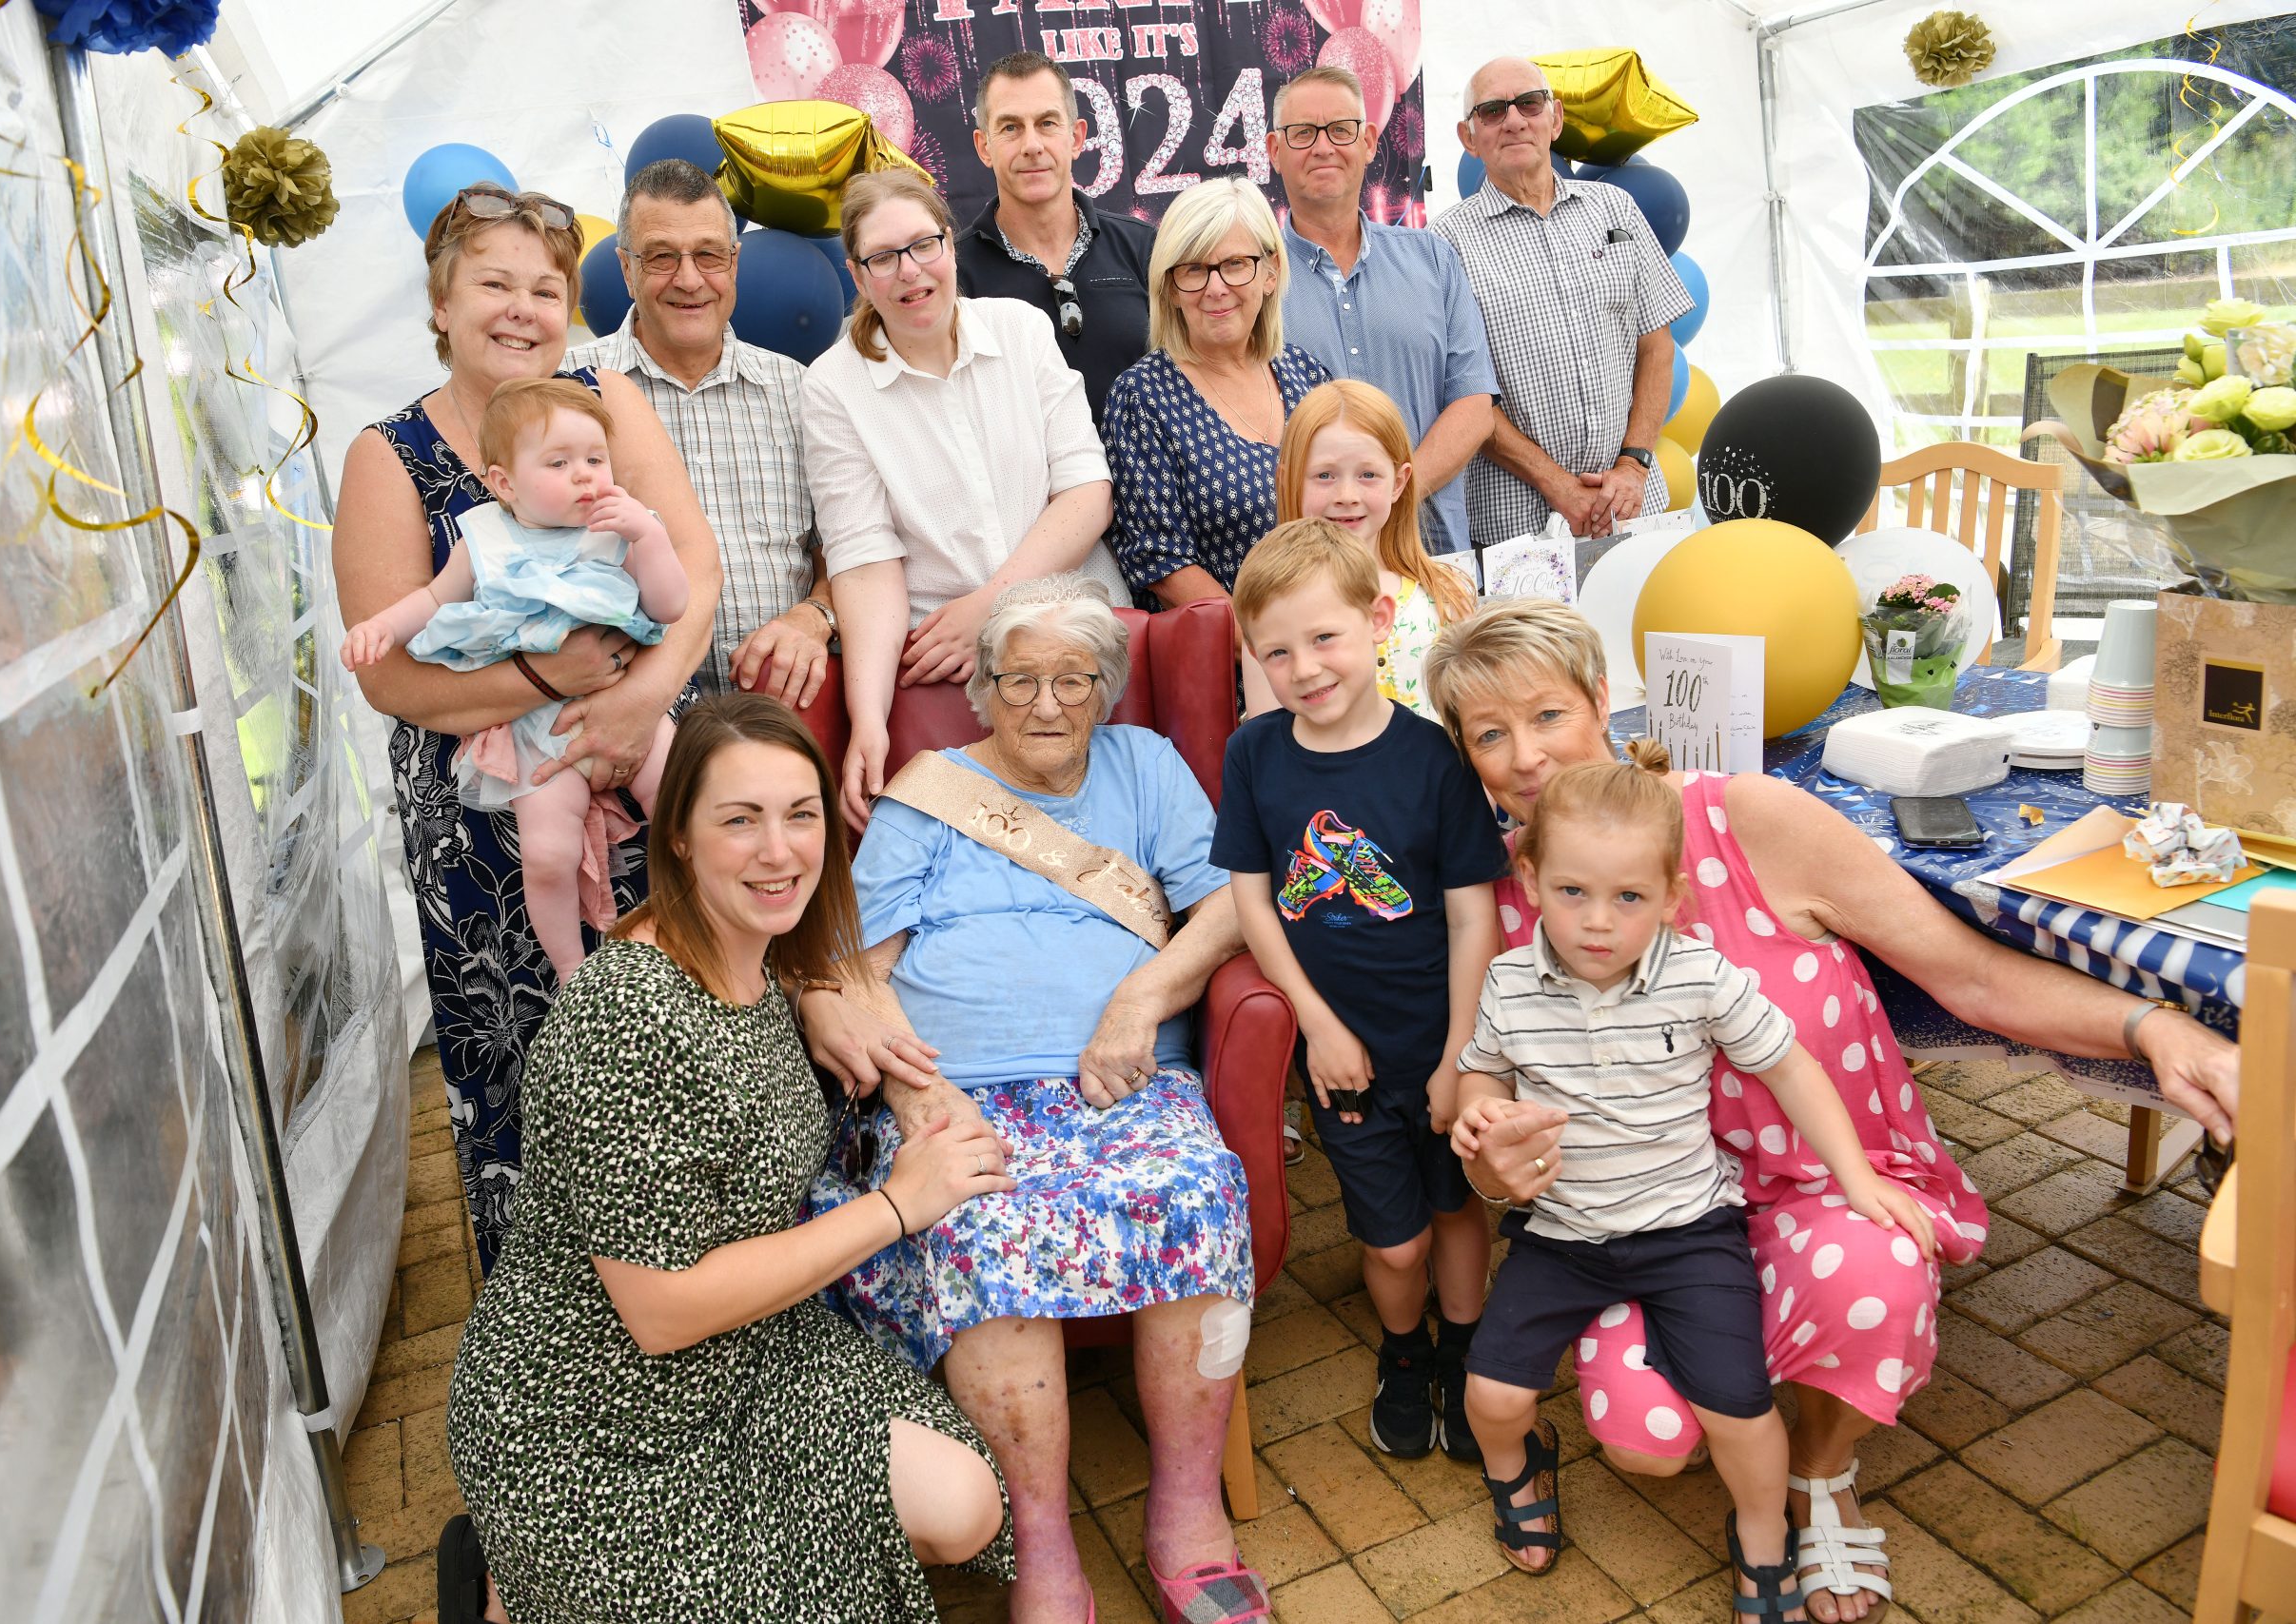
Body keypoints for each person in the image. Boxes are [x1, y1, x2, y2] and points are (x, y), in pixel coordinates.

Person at [1422, 599, 2244, 1620]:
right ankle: (1743, 1435)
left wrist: (2149, 1028)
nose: (1524, 756)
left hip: (1824, 1185)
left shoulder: (1743, 818)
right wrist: (1493, 1159)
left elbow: (1970, 979)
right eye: (1488, 734)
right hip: (1654, 1219)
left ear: (1600, 700)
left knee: (1873, 1271)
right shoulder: (1510, 901)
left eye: (1545, 715)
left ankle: (1819, 1477)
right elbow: (1478, 1098)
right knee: (1641, 1444)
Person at [442, 695, 1014, 1624]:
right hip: (586, 1405)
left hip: (748, 1347)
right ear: (678, 838)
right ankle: (505, 1580)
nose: (777, 849)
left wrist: (816, 996)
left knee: (962, 1508)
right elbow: (660, 1312)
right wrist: (897, 1207)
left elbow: (774, 992)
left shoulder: (757, 961)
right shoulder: (626, 1017)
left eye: (798, 815)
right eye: (738, 820)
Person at [809, 575, 1266, 1624]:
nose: (1047, 704)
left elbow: (1226, 908)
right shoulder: (928, 793)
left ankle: (1188, 1511)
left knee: (1195, 1190)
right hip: (960, 1094)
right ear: (983, 689)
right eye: (1021, 680)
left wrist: (1137, 1002)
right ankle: (1044, 1542)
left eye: (1074, 679)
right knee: (979, 1225)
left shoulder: (1146, 767)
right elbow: (856, 970)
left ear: (1107, 688)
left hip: (1123, 1081)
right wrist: (913, 1099)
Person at [333, 182, 724, 1264]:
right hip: (488, 820)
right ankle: (564, 1343)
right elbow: (391, 675)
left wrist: (642, 696)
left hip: (645, 760)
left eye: (543, 287)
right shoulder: (389, 453)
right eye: (493, 283)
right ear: (441, 301)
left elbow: (692, 563)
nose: (521, 308)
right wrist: (550, 680)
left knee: (686, 1033)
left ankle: (727, 1292)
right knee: (541, 1074)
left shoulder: (605, 400)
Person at [1451, 747, 1935, 1617]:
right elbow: (1481, 1072)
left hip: (1688, 1233)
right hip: (1562, 1235)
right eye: (1572, 892)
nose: (1599, 921)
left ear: (1672, 897)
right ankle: (1519, 1470)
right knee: (1491, 1394)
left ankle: (1760, 1530)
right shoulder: (1510, 980)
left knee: (1740, 1409)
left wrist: (1856, 1175)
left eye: (1629, 897)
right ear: (1529, 880)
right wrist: (1480, 1115)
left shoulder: (1697, 973)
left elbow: (1789, 1065)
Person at [1212, 521, 1505, 1462]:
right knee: (1394, 1242)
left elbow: (1473, 919)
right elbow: (1254, 904)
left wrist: (1463, 1058)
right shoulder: (1255, 756)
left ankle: (1462, 1349)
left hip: (1441, 1040)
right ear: (1252, 657)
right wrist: (1315, 1026)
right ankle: (1404, 1351)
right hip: (1341, 1055)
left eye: (1324, 637)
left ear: (1377, 620)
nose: (1305, 666)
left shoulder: (1435, 759)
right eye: (1277, 650)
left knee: (1460, 1213)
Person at [802, 170, 1126, 830]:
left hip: (1084, 644)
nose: (910, 271)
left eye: (925, 245)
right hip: (956, 681)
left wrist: (990, 605)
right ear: (858, 276)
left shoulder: (1021, 330)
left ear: (950, 244)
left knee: (1111, 851)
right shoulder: (833, 386)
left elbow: (1088, 493)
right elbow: (864, 562)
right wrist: (868, 720)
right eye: (883, 258)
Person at [342, 378, 689, 981]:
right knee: (548, 856)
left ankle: (696, 923)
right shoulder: (484, 538)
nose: (585, 476)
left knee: (688, 813)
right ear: (504, 483)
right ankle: (571, 971)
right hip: (534, 727)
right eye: (559, 463)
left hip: (629, 706)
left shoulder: (616, 528)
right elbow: (430, 600)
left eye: (595, 459)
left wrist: (650, 536)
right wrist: (380, 628)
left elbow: (669, 606)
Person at [567, 158, 834, 708]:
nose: (689, 279)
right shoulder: (569, 391)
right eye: (662, 256)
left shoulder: (799, 390)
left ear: (734, 263)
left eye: (709, 255)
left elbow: (846, 548)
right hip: (632, 719)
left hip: (783, 718)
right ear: (625, 269)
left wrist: (816, 616)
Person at [1430, 57, 1694, 544]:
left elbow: (1657, 346)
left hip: (1632, 504)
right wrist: (1559, 487)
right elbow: (1462, 395)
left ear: (1556, 118)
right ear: (1468, 138)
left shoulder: (1616, 208)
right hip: (1518, 529)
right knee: (1532, 627)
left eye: (1529, 103)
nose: (1513, 120)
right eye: (1491, 111)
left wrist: (1632, 466)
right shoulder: (1442, 245)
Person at [1266, 66, 1501, 552]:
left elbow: (1474, 406)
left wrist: (1390, 498)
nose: (1324, 147)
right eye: (1303, 133)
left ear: (1370, 142)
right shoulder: (1252, 282)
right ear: (1274, 151)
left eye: (1341, 130)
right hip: (1311, 564)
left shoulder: (1434, 259)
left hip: (1432, 552)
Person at [1101, 178, 1332, 606]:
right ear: (1168, 288)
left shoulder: (1307, 374)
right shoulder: (1142, 398)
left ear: (1271, 272)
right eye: (1193, 269)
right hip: (1235, 658)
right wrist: (1272, 648)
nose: (1216, 287)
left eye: (1235, 264)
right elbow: (1164, 566)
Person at [955, 51, 1156, 422]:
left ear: (1076, 137)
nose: (1032, 145)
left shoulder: (1145, 249)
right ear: (985, 147)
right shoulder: (953, 274)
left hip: (1149, 480)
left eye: (1047, 123)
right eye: (1010, 127)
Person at [1269, 380, 1478, 720]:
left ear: (1398, 482)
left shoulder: (1446, 595)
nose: (1347, 494)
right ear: (1288, 479)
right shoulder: (1274, 608)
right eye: (1324, 475)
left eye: (1368, 474)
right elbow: (1269, 745)